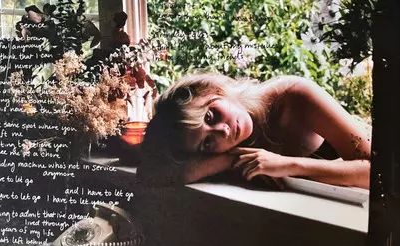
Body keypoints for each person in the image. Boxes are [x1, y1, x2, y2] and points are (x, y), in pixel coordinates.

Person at [137, 73, 371, 189]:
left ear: (213, 90)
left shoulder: (295, 95)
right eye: (207, 142)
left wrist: (286, 165)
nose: (223, 131)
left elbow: (377, 173)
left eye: (210, 115)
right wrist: (228, 160)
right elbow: (149, 175)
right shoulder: (226, 152)